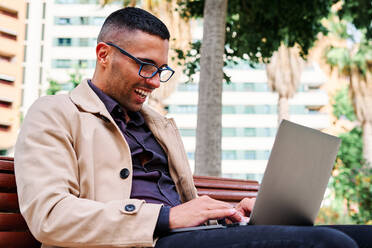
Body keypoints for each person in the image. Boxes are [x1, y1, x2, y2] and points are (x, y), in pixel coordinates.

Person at [14, 7, 370, 248]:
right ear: (104, 54)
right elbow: (50, 215)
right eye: (145, 66)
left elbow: (183, 206)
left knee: (363, 236)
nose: (155, 82)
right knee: (329, 244)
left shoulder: (158, 124)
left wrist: (230, 214)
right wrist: (166, 217)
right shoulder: (54, 113)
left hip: (185, 238)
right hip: (143, 241)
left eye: (161, 70)